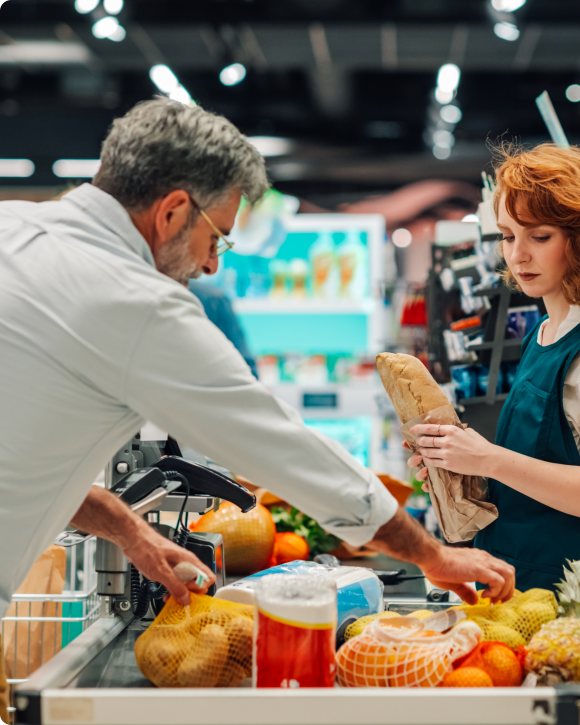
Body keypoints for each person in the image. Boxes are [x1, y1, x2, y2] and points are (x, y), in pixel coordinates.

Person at [0, 100, 515, 661]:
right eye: (218, 238)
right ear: (173, 212)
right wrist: (431, 556)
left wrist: (131, 532)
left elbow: (23, 458)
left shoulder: (12, 230)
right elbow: (282, 447)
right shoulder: (136, 302)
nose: (213, 265)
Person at [407, 143, 580, 591]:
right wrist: (463, 471)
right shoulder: (546, 329)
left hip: (572, 603)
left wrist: (490, 459)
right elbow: (544, 463)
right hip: (516, 583)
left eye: (539, 237)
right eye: (507, 235)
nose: (516, 256)